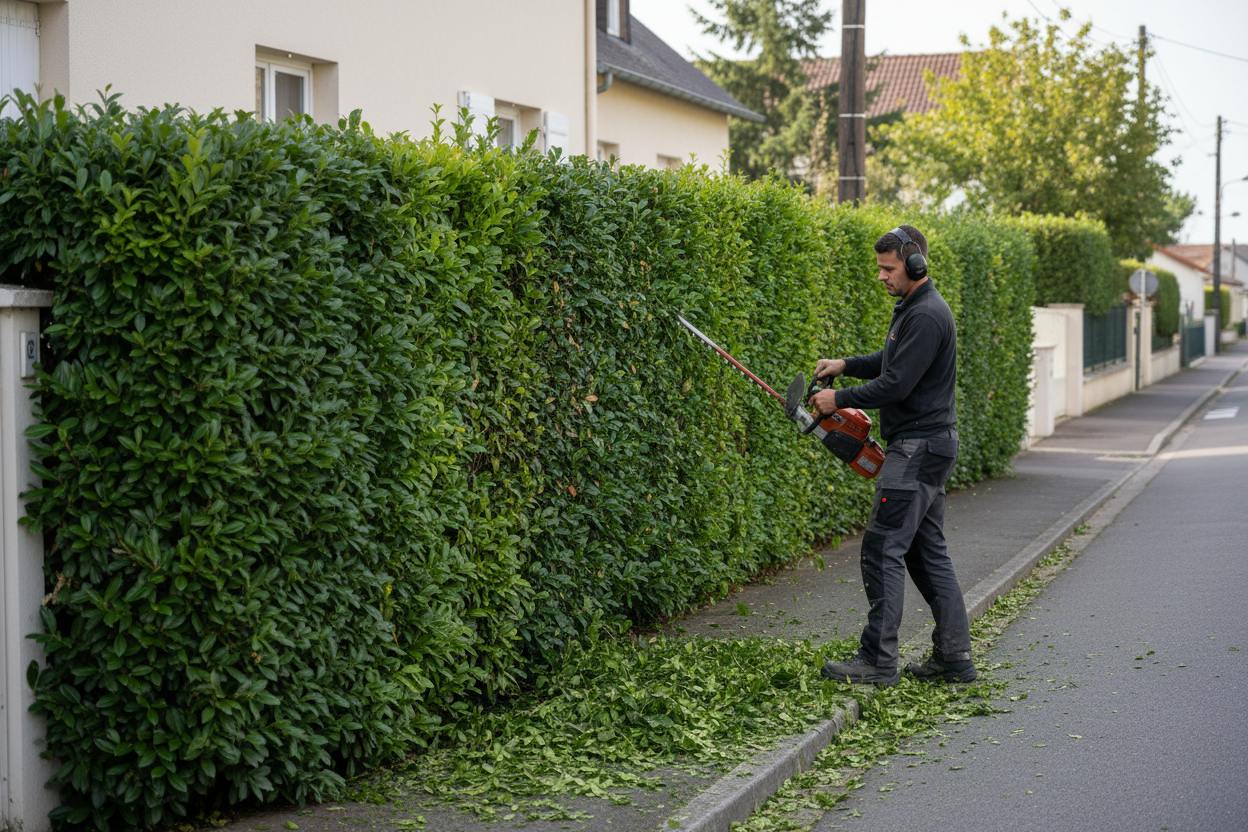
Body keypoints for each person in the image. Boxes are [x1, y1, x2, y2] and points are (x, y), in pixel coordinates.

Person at [809, 225, 975, 688]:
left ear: (915, 265)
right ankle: (954, 659)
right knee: (927, 555)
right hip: (930, 446)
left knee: (883, 547)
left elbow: (896, 385)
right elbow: (892, 362)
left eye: (888, 268)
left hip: (917, 449)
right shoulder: (915, 309)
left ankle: (877, 662)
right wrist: (846, 364)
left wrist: (837, 397)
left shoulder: (925, 315)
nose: (881, 277)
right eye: (879, 268)